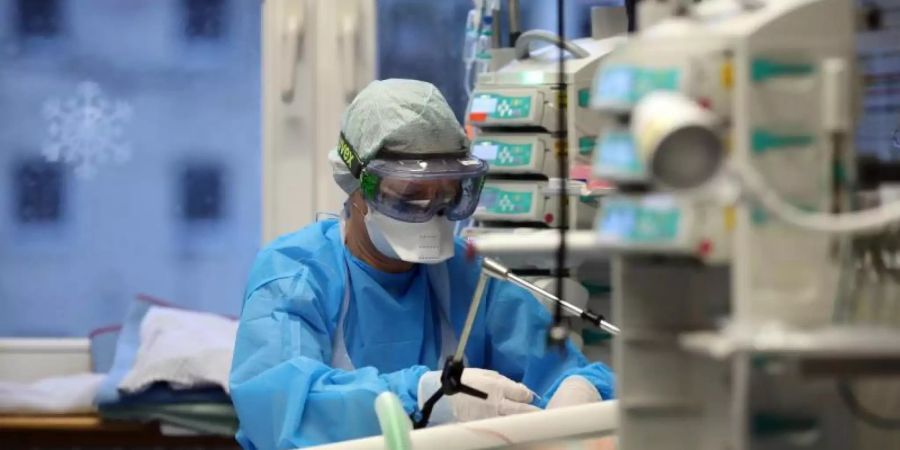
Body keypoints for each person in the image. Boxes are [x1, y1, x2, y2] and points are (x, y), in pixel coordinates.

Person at [229, 79, 614, 449]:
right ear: (356, 186)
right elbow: (279, 412)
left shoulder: (467, 275)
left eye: (448, 193)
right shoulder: (295, 275)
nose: (432, 214)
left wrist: (582, 393)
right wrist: (422, 400)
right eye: (409, 196)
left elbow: (563, 370)